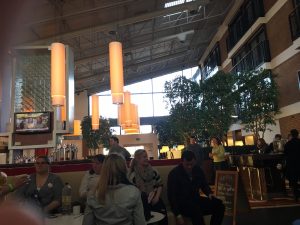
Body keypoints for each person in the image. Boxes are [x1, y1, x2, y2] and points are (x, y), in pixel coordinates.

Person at [82, 154, 146, 225]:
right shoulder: (134, 192)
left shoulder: (93, 194)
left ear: (103, 170)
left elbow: (86, 223)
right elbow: (140, 222)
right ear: (124, 170)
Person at [167, 151, 225, 225]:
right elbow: (171, 196)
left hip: (196, 199)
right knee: (197, 211)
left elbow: (204, 184)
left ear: (195, 161)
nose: (189, 167)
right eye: (187, 164)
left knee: (219, 205)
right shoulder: (174, 173)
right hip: (182, 204)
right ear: (182, 162)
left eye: (192, 164)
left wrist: (209, 194)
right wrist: (177, 215)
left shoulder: (197, 170)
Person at [128, 149, 168, 224]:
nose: (147, 158)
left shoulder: (153, 171)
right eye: (144, 157)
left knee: (162, 217)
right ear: (137, 159)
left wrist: (156, 197)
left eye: (147, 156)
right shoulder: (133, 176)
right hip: (140, 202)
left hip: (154, 198)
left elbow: (159, 184)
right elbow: (132, 192)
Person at [284, 129, 300, 202]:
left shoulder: (288, 144)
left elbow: (285, 154)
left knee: (294, 181)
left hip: (292, 164)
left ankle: (296, 196)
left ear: (291, 135)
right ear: (297, 134)